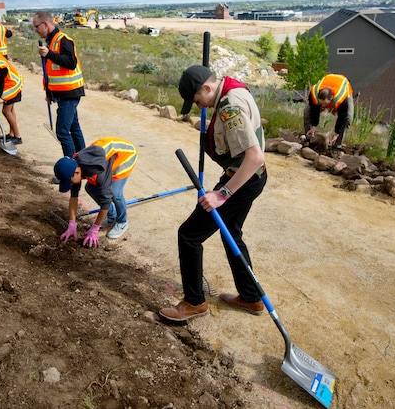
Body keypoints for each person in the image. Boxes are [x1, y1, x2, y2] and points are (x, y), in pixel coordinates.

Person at [159, 66, 268, 322]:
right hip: (250, 178)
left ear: (207, 88)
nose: (198, 107)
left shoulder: (230, 107)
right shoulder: (231, 90)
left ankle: (194, 302)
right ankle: (251, 297)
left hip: (242, 180)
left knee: (189, 235)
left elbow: (254, 157)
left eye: (198, 101)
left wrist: (222, 194)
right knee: (232, 234)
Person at [33, 11, 87, 179]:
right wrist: (49, 93)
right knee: (74, 128)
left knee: (62, 132)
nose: (35, 30)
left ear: (46, 25)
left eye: (36, 27)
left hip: (70, 92)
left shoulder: (63, 40)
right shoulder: (50, 42)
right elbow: (51, 72)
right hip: (62, 93)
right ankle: (85, 161)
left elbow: (70, 63)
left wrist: (49, 54)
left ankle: (70, 169)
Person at [54, 137, 138, 244]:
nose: (70, 184)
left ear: (76, 172)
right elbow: (73, 196)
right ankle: (111, 216)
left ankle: (122, 222)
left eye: (69, 182)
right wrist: (72, 223)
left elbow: (106, 201)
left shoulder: (99, 173)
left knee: (115, 194)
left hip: (125, 155)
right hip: (105, 158)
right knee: (90, 187)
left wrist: (95, 228)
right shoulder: (75, 165)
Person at [303, 73, 354, 151]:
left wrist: (337, 133)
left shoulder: (340, 98)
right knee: (307, 111)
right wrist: (314, 125)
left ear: (331, 99)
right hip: (328, 81)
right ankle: (310, 139)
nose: (323, 107)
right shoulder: (314, 94)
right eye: (321, 104)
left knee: (348, 118)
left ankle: (336, 145)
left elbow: (342, 117)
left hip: (343, 85)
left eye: (325, 104)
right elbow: (314, 110)